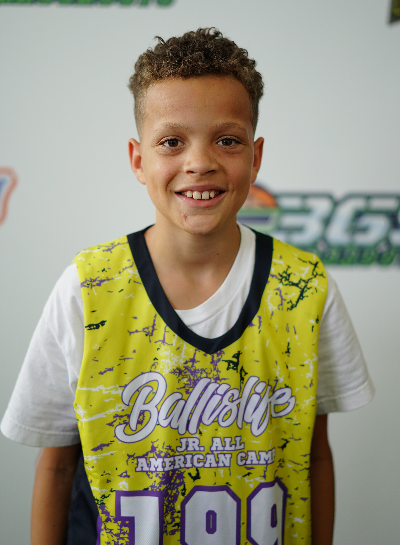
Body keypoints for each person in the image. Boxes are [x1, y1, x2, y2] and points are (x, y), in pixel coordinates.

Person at [1, 28, 374, 545]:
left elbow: (313, 455)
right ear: (138, 159)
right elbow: (58, 467)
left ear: (256, 157)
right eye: (172, 142)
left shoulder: (303, 287)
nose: (200, 162)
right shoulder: (88, 288)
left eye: (227, 140)